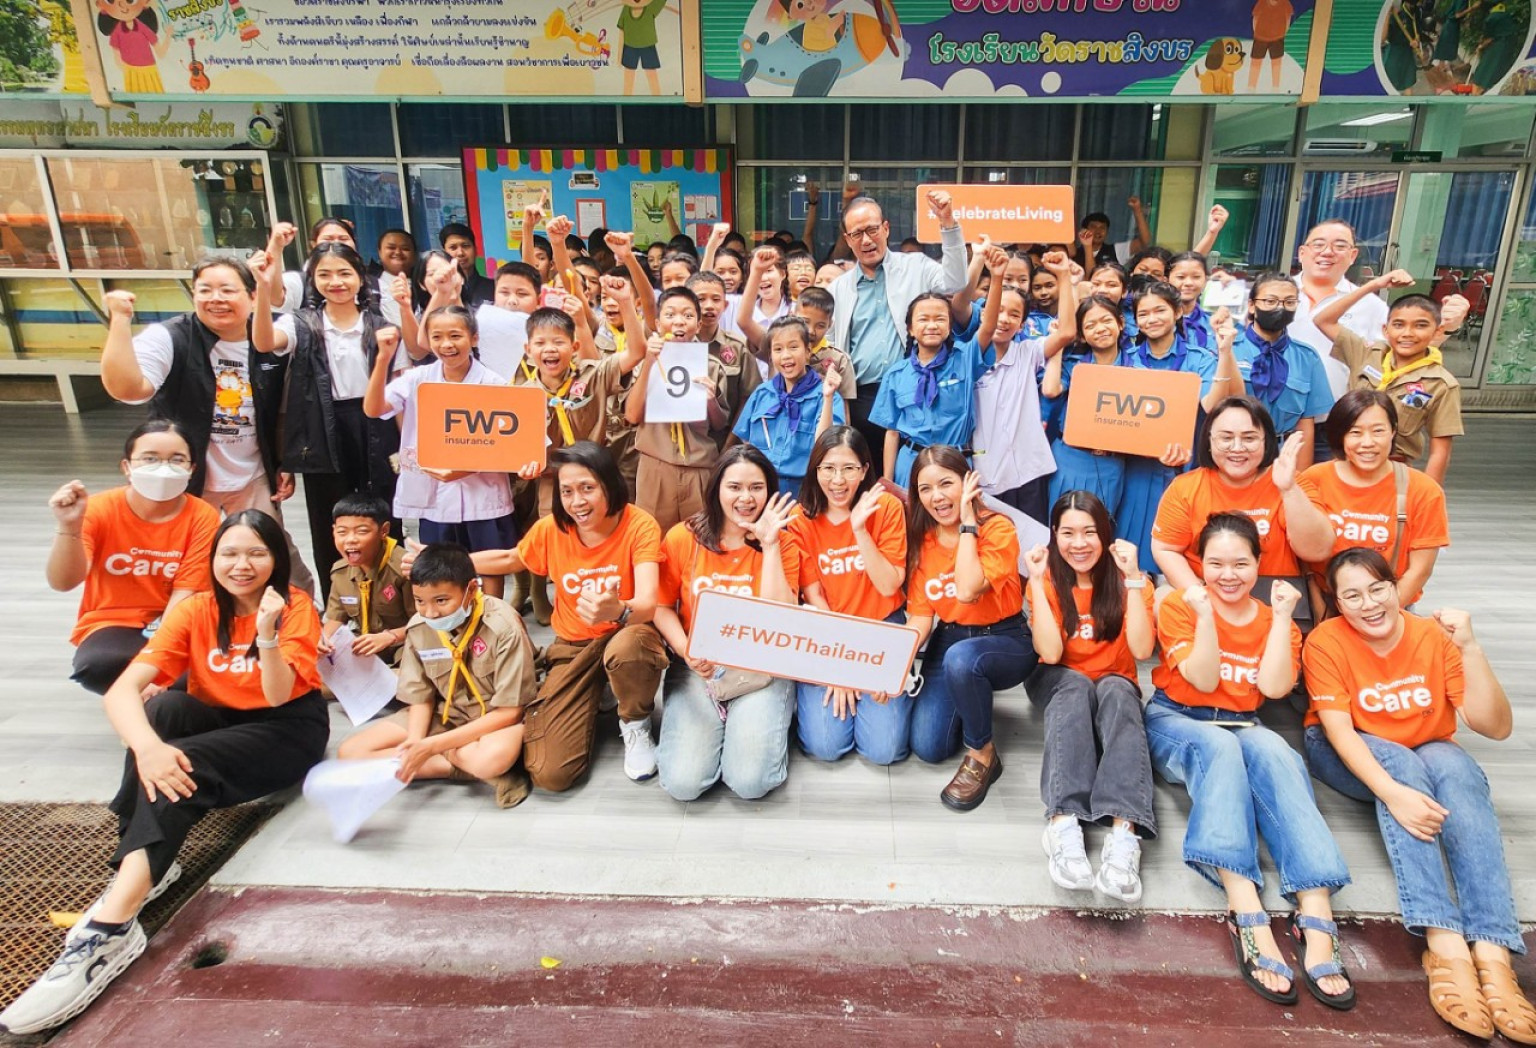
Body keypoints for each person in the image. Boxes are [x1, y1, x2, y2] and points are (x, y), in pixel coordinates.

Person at [0, 510, 327, 1036]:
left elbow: (276, 693)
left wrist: (266, 633)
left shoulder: (294, 607)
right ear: (212, 559)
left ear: (276, 560)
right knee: (160, 714)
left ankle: (110, 931)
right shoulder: (197, 608)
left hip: (284, 729)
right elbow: (122, 691)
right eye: (229, 553)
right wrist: (148, 748)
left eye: (256, 553)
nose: (241, 565)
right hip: (217, 715)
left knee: (182, 763)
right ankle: (146, 862)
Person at [1302, 549, 1533, 1041]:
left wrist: (1470, 648)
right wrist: (1394, 793)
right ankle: (1443, 941)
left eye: (1377, 588)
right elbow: (1339, 733)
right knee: (1406, 766)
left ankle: (1492, 947)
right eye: (1352, 596)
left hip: (1426, 747)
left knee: (1458, 768)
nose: (1369, 604)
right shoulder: (1326, 641)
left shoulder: (1431, 636)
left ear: (1396, 587)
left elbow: (1496, 727)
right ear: (1337, 603)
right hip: (1348, 749)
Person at [1144, 513, 1354, 1010]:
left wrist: (1280, 619)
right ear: (1199, 564)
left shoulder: (1272, 618)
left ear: (1259, 564)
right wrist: (1205, 617)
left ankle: (1316, 907)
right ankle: (1244, 903)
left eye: (1240, 563)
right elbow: (1201, 679)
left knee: (1279, 752)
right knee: (1219, 749)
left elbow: (1274, 689)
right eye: (1215, 563)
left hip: (1243, 722)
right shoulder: (1178, 604)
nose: (1228, 574)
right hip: (1178, 719)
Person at [97, 256, 314, 593]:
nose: (216, 299)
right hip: (187, 477)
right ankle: (194, 618)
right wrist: (120, 321)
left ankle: (298, 614)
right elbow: (127, 389)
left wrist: (284, 460)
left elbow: (281, 408)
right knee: (191, 560)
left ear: (252, 296)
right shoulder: (171, 337)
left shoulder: (269, 337)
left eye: (227, 290)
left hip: (253, 475)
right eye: (205, 290)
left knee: (275, 555)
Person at [460, 443, 672, 786]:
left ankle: (635, 722)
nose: (577, 502)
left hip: (627, 633)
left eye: (587, 488)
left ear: (609, 484)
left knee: (630, 647)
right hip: (573, 644)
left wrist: (618, 611)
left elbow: (648, 603)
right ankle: (602, 689)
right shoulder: (551, 528)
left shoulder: (639, 524)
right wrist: (448, 561)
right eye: (567, 491)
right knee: (551, 774)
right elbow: (510, 559)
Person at [253, 243, 408, 598]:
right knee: (329, 517)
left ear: (360, 278)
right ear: (312, 280)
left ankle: (391, 598)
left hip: (377, 424)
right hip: (322, 426)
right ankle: (340, 600)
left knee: (384, 509)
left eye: (344, 273)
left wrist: (406, 447)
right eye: (324, 274)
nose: (335, 282)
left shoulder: (381, 326)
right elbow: (264, 342)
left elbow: (398, 392)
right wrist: (262, 288)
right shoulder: (300, 323)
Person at [1023, 491, 1156, 902]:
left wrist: (1134, 580)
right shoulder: (1046, 578)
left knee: (1118, 690)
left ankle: (1124, 831)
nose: (1078, 543)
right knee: (1076, 685)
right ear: (1054, 535)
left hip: (1113, 679)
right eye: (1067, 533)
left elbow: (1141, 651)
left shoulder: (1130, 580)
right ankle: (1063, 822)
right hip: (1058, 678)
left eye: (1089, 532)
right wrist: (1035, 581)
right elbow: (1050, 653)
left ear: (1106, 535)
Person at [336, 542, 535, 807]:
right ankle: (463, 766)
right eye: (420, 601)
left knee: (491, 758)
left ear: (471, 589)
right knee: (350, 753)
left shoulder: (502, 626)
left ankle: (473, 765)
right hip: (446, 713)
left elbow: (510, 711)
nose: (430, 612)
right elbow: (420, 697)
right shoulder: (420, 626)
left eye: (441, 601)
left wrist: (433, 746)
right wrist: (415, 741)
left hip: (493, 719)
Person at [653, 446, 799, 802]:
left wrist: (770, 545)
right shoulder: (683, 537)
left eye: (756, 487)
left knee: (750, 783)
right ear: (716, 488)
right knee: (684, 784)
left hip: (762, 666)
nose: (746, 498)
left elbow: (782, 618)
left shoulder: (784, 540)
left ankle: (757, 725)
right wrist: (686, 650)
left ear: (769, 490)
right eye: (734, 487)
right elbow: (660, 606)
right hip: (699, 665)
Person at [903, 447, 1035, 810]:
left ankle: (983, 754)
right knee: (929, 747)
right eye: (925, 489)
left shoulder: (998, 528)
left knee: (963, 659)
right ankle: (972, 696)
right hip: (951, 638)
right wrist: (893, 665)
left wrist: (967, 525)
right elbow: (920, 617)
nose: (937, 497)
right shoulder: (923, 542)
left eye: (946, 484)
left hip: (1004, 638)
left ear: (968, 482)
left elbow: (967, 589)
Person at [48, 420, 219, 694]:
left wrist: (159, 655)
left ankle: (145, 697)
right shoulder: (98, 509)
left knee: (201, 675)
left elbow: (185, 593)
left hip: (180, 621)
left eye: (177, 459)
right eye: (150, 458)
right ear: (127, 467)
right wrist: (69, 526)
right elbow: (63, 582)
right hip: (113, 621)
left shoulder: (202, 516)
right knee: (97, 666)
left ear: (191, 469)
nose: (163, 468)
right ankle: (146, 696)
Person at [364, 305, 518, 598]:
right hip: (433, 494)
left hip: (482, 494)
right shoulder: (416, 378)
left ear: (474, 338)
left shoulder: (494, 384)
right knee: (439, 569)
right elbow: (374, 409)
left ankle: (491, 620)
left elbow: (505, 446)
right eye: (437, 337)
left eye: (455, 335)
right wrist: (383, 358)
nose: (447, 344)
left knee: (489, 566)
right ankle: (448, 620)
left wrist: (462, 470)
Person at [789, 426, 910, 764]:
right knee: (826, 746)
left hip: (881, 626)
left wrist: (859, 530)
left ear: (865, 470)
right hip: (827, 630)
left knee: (883, 750)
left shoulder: (886, 507)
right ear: (815, 470)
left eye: (849, 468)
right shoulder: (801, 518)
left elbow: (888, 585)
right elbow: (813, 594)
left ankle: (903, 685)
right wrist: (841, 662)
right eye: (828, 468)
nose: (838, 480)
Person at [1117, 281, 1243, 575]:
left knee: (1182, 545)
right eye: (1143, 314)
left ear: (1177, 312)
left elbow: (1212, 404)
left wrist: (1225, 352)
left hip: (1186, 465)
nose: (1151, 319)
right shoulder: (1126, 359)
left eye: (1159, 310)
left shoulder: (1199, 358)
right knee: (1133, 548)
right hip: (1138, 467)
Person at [828, 191, 967, 455]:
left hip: (914, 391)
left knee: (912, 468)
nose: (866, 240)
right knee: (867, 472)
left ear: (886, 228)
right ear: (847, 239)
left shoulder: (917, 266)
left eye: (872, 230)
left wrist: (948, 223)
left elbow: (956, 281)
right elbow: (831, 347)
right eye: (857, 234)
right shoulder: (837, 289)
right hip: (860, 398)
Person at [1151, 398, 1332, 593]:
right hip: (1207, 594)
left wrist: (1289, 490)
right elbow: (1166, 549)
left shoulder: (1292, 482)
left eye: (1249, 438)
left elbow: (1317, 551)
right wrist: (1201, 596)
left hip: (1277, 597)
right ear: (1209, 441)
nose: (1237, 448)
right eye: (1226, 438)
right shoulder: (1184, 488)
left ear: (1266, 441)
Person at [1290, 390, 1450, 609]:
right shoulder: (1313, 480)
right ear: (1341, 435)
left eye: (1378, 431)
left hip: (1391, 605)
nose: (1367, 442)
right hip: (1322, 605)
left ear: (1393, 431)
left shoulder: (1423, 490)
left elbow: (1420, 570)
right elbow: (1301, 556)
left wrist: (1378, 614)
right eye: (1355, 432)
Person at [1311, 269, 1464, 484]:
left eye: (1420, 325)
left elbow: (1440, 451)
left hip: (1392, 473)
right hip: (1344, 464)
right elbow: (1324, 320)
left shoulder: (1441, 384)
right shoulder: (1366, 353)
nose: (1407, 333)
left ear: (1438, 332)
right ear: (1385, 329)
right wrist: (1373, 286)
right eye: (1398, 325)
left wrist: (1429, 495)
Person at [974, 248, 1075, 524]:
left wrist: (1064, 276)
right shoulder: (968, 358)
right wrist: (995, 275)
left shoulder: (1027, 353)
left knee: (1033, 540)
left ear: (1022, 325)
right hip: (986, 472)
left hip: (1028, 471)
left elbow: (1067, 331)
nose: (1004, 319)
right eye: (998, 311)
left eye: (1014, 314)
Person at [625, 287, 730, 534]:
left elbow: (719, 424)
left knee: (701, 537)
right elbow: (631, 415)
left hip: (698, 466)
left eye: (688, 315)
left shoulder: (711, 365)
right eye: (670, 314)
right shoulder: (644, 361)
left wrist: (710, 400)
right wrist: (649, 363)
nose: (679, 321)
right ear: (657, 323)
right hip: (656, 465)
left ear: (698, 324)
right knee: (653, 538)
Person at [871, 290, 989, 488]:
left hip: (954, 460)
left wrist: (997, 278)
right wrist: (888, 483)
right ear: (910, 329)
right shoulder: (896, 375)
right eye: (923, 319)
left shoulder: (965, 359)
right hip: (911, 463)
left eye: (940, 319)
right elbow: (892, 433)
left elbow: (988, 329)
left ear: (950, 326)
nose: (932, 325)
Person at [732, 316, 845, 495]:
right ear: (770, 356)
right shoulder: (762, 393)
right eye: (778, 349)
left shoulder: (826, 396)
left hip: (805, 489)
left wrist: (828, 397)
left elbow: (825, 445)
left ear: (808, 351)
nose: (786, 355)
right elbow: (745, 438)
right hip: (763, 488)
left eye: (793, 347)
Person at [1041, 295, 1131, 513]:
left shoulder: (1136, 368)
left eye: (1106, 321)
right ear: (1081, 335)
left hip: (1111, 463)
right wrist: (1058, 343)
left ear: (1120, 323)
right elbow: (1050, 389)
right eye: (1090, 325)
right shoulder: (1074, 365)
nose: (1100, 329)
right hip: (1070, 458)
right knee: (1061, 522)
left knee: (1101, 525)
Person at [1232, 272, 1334, 460]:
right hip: (1234, 450)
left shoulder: (1306, 358)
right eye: (1270, 301)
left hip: (1282, 453)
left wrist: (1300, 475)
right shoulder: (1229, 350)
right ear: (1252, 305)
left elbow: (1305, 425)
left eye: (1289, 302)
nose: (1280, 308)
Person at [1289, 220, 1390, 402]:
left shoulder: (1371, 306)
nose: (1327, 252)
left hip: (1339, 411)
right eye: (1318, 244)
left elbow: (1389, 359)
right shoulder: (1272, 295)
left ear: (1353, 255)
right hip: (1274, 410)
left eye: (1340, 246)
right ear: (1301, 253)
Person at [320, 494, 413, 665]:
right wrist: (323, 641)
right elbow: (335, 618)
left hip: (405, 642)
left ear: (384, 530)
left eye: (362, 531)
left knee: (407, 669)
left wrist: (390, 636)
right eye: (342, 532)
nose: (350, 540)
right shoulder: (341, 572)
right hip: (365, 643)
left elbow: (426, 622)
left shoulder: (404, 568)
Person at [439, 222, 495, 308]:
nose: (460, 253)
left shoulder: (495, 288)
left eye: (465, 246)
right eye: (453, 248)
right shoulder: (439, 291)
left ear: (475, 250)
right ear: (444, 253)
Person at [374, 229, 417, 326]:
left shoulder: (423, 285)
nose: (398, 252)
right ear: (379, 252)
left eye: (405, 248)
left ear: (414, 254)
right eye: (391, 247)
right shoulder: (370, 286)